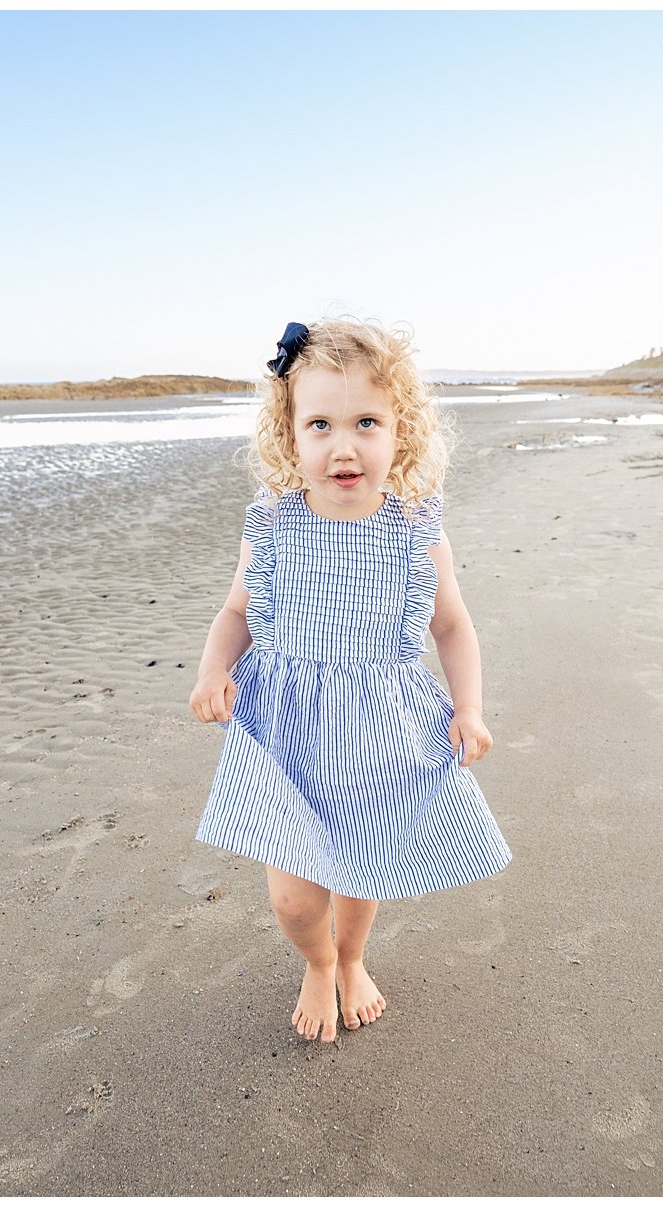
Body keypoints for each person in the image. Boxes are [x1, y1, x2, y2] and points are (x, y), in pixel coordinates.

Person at [189, 318, 512, 1044]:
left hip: (380, 729)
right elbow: (237, 610)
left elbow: (452, 626)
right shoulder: (272, 524)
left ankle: (353, 955)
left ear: (402, 431)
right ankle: (316, 955)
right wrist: (214, 667)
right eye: (321, 424)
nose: (344, 445)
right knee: (294, 898)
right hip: (288, 731)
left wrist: (470, 709)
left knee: (361, 867)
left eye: (367, 421)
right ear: (289, 433)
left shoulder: (415, 528)